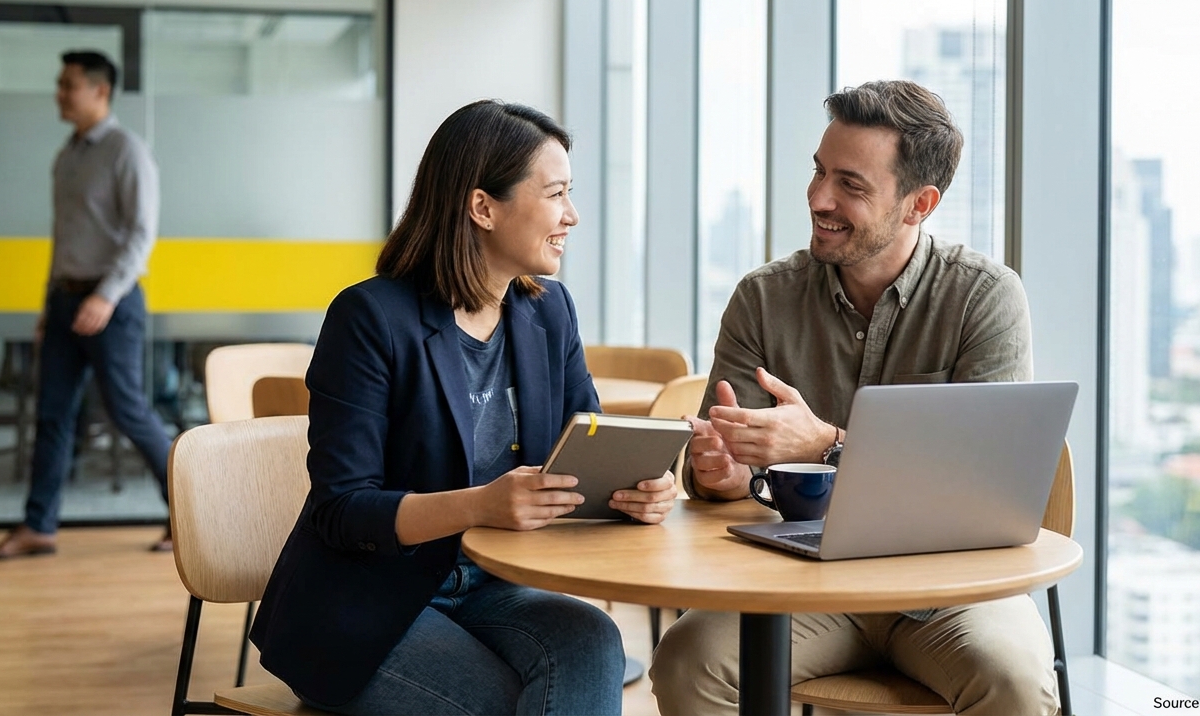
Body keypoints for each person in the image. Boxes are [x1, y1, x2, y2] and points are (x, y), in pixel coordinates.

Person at [249, 99, 678, 715]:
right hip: (365, 601)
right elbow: (342, 510)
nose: (572, 216)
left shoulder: (548, 312)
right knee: (506, 703)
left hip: (494, 582)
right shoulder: (370, 319)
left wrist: (639, 490)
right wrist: (481, 505)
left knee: (591, 639)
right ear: (483, 207)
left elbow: (585, 449)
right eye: (556, 194)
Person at [649, 80, 1060, 716]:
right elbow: (716, 479)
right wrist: (721, 474)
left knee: (1014, 680)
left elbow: (985, 488)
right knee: (687, 661)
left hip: (947, 591)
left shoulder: (984, 298)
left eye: (851, 184)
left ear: (919, 204)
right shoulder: (763, 299)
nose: (818, 199)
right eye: (818, 172)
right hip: (800, 586)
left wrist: (828, 443)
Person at [0, 51, 173, 558]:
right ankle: (38, 526)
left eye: (68, 85)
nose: (60, 94)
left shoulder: (127, 150)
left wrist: (105, 296)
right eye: (60, 85)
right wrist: (49, 301)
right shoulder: (68, 155)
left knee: (129, 413)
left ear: (100, 91)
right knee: (53, 415)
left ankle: (193, 516)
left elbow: (142, 234)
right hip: (64, 302)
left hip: (113, 304)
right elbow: (64, 237)